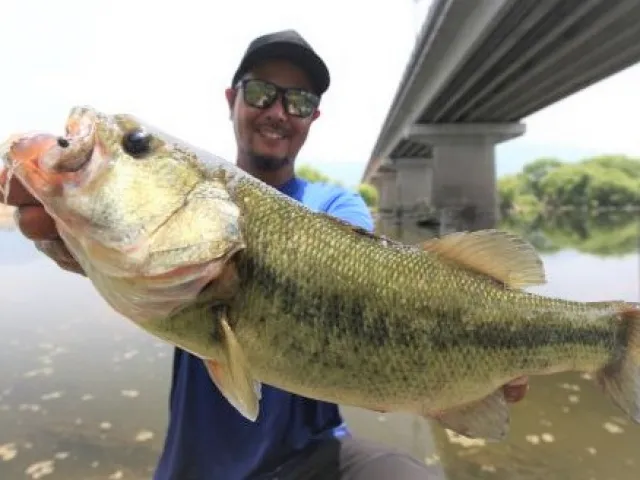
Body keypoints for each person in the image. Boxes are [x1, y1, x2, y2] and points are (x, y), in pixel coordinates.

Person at [1, 29, 529, 480]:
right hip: (198, 466)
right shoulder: (171, 242)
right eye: (261, 93)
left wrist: (477, 351)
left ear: (312, 117)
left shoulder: (334, 205)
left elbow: (368, 279)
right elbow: (120, 257)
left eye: (297, 102)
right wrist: (64, 237)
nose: (278, 111)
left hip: (316, 456)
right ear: (231, 98)